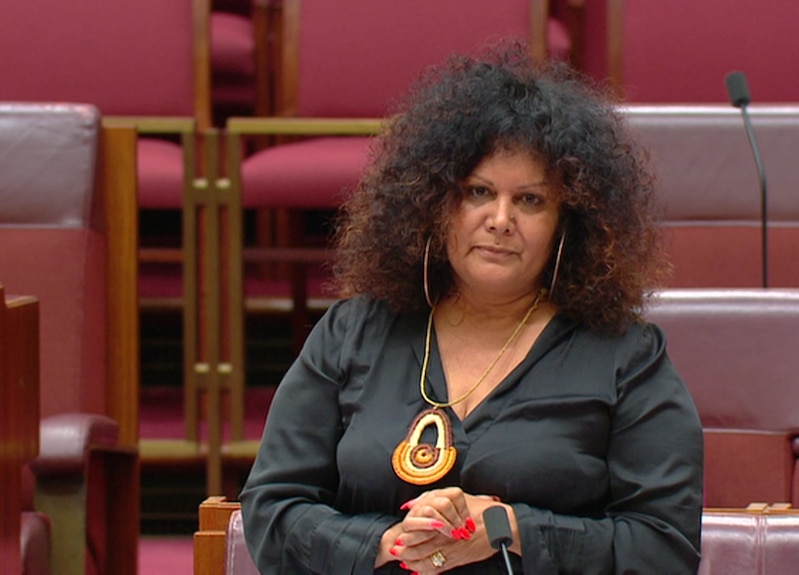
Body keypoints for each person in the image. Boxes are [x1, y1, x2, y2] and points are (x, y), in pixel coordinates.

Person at [240, 41, 703, 574]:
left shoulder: (625, 357)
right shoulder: (354, 331)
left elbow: (665, 548)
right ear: (434, 203)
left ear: (568, 224)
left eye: (530, 200)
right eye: (478, 192)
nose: (501, 219)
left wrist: (512, 531)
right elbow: (272, 510)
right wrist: (387, 541)